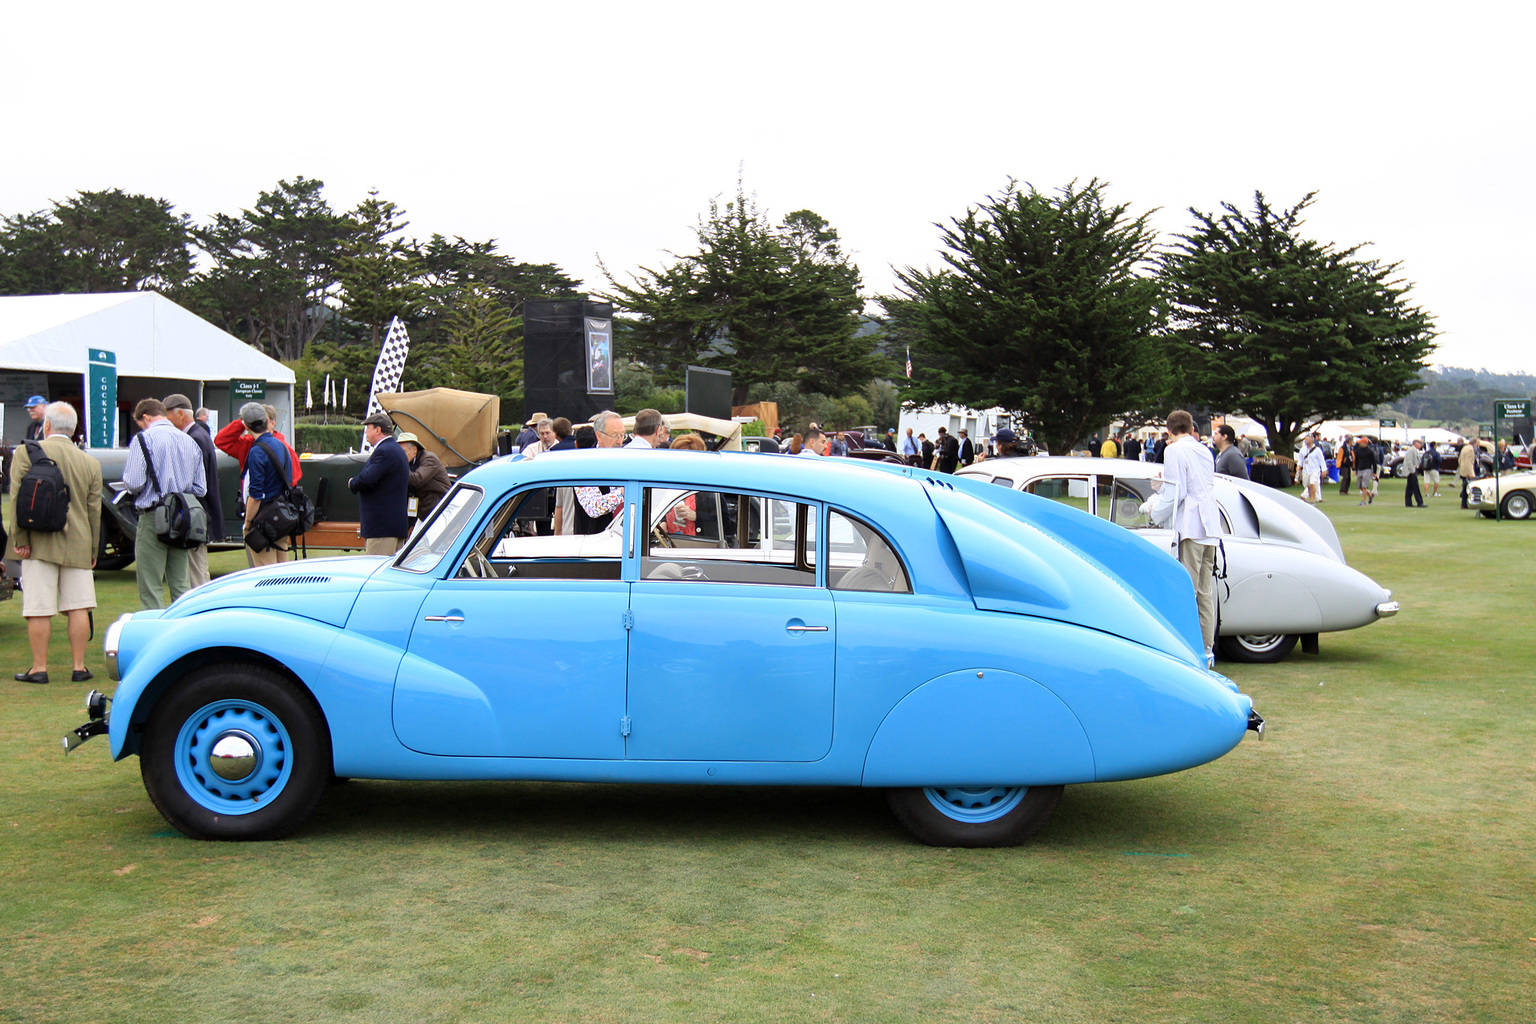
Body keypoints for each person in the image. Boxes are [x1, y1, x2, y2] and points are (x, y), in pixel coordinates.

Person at [9, 402, 102, 684]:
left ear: (46, 426)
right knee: (78, 606)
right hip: (78, 541)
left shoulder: (26, 452)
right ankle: (79, 666)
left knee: (38, 607)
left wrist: (20, 539)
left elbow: (16, 500)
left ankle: (39, 668)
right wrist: (93, 550)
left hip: (38, 541)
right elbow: (93, 511)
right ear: (74, 430)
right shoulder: (90, 462)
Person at [122, 397, 207, 609]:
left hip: (154, 513)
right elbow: (200, 488)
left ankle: (156, 632)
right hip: (183, 514)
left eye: (140, 423)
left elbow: (133, 482)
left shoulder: (144, 439)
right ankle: (184, 632)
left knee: (151, 584)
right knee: (181, 583)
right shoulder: (189, 441)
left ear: (146, 417)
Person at [1162, 410, 1222, 667]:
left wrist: (1153, 509)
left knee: (1187, 591)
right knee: (1204, 592)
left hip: (1192, 525)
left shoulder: (1174, 451)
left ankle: (1189, 650)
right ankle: (1207, 650)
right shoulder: (1204, 450)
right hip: (1210, 526)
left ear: (1169, 430)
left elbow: (1177, 492)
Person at [163, 393, 224, 588]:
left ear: (180, 414)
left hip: (194, 515)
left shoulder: (194, 438)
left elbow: (192, 482)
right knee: (195, 570)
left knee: (195, 573)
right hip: (198, 513)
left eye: (168, 416)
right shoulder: (199, 435)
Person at [238, 402, 296, 567]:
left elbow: (256, 494)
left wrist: (248, 524)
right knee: (282, 575)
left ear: (246, 425)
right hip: (281, 516)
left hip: (263, 521)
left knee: (265, 575)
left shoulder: (257, 450)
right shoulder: (282, 446)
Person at [347, 413, 411, 556]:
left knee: (376, 572)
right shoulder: (397, 450)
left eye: (368, 428)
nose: (366, 432)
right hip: (394, 526)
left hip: (382, 529)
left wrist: (352, 483)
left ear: (378, 430)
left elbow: (367, 479)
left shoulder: (384, 451)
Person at [399, 431, 451, 524]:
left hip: (438, 511)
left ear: (414, 450)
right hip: (424, 512)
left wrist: (400, 464)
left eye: (403, 452)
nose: (399, 455)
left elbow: (417, 480)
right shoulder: (411, 463)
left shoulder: (429, 459)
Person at [1299, 433, 1328, 504]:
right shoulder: (1303, 450)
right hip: (1306, 470)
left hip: (1315, 470)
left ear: (1312, 440)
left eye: (1307, 439)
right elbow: (1300, 459)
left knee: (1312, 484)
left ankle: (1309, 498)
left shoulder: (1317, 450)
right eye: (1305, 439)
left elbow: (1321, 460)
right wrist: (1298, 466)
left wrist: (1324, 469)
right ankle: (1318, 497)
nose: (1306, 441)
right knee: (1311, 484)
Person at [1353, 435, 1378, 506]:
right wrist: (1355, 470)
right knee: (1360, 486)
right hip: (1360, 469)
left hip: (1367, 469)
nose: (1360, 444)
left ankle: (1363, 501)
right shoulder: (1358, 451)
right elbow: (1356, 461)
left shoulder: (1369, 452)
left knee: (1364, 486)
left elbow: (1373, 462)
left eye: (1361, 442)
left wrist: (1374, 472)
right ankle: (1370, 494)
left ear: (1365, 443)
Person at [1402, 439, 1426, 508]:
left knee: (1410, 488)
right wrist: (1413, 471)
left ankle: (1408, 503)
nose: (1420, 445)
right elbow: (1409, 461)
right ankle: (1419, 502)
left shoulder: (1415, 451)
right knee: (1415, 487)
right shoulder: (1411, 451)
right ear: (1415, 444)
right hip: (1411, 471)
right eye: (1419, 444)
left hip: (1413, 470)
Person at [1457, 439, 1477, 508]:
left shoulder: (1464, 448)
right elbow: (1468, 462)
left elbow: (1460, 460)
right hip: (1467, 472)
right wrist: (1470, 473)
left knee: (1465, 487)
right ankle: (1465, 504)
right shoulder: (1470, 450)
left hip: (1462, 470)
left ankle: (1464, 503)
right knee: (1467, 488)